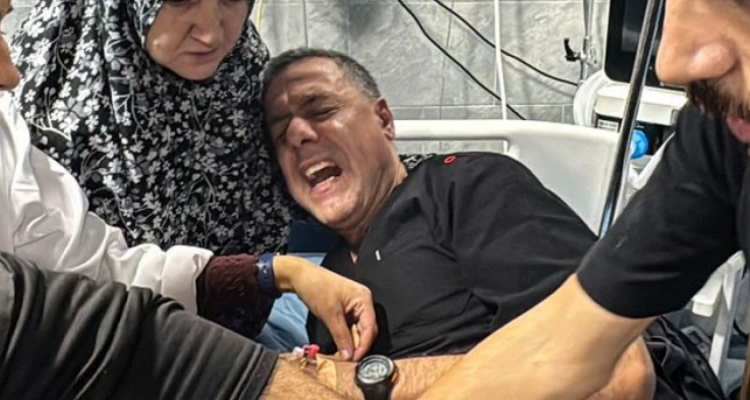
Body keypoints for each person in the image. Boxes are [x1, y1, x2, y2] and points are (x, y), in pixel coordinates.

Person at [260, 48, 728, 400]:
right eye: (280, 134)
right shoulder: (326, 281)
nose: (298, 135)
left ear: (384, 119)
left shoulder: (463, 186)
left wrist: (357, 381)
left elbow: (614, 377)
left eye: (322, 111)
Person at [0, 0, 379, 361]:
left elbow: (333, 188)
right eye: (180, 2)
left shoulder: (243, 70)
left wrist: (275, 272)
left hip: (235, 333)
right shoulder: (40, 106)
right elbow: (88, 279)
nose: (211, 33)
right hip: (102, 354)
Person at [413, 0, 750, 398]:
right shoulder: (727, 138)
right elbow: (564, 347)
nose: (670, 64)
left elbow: (624, 374)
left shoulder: (466, 184)